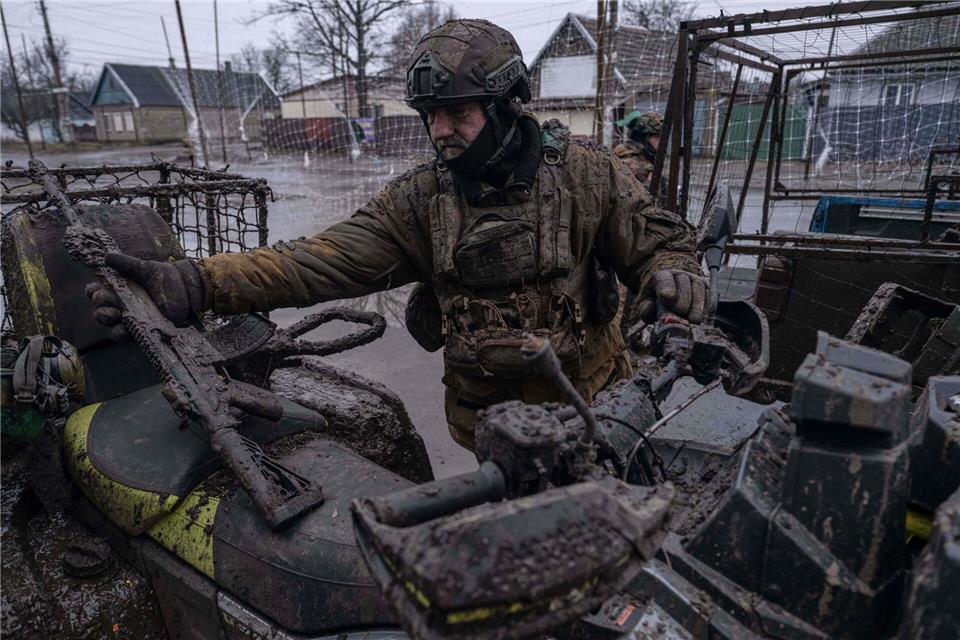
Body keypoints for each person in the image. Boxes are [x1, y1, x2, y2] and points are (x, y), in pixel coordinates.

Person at [88, 19, 706, 451]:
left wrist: (675, 274)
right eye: (430, 116)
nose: (439, 130)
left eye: (457, 112)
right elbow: (313, 262)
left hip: (595, 412)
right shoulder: (418, 203)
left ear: (507, 104)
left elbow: (660, 244)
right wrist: (195, 282)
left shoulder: (587, 175)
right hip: (490, 431)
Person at [613, 111, 666, 202]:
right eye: (657, 137)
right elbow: (627, 200)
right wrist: (650, 181)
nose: (661, 141)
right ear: (642, 137)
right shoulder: (629, 163)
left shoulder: (645, 159)